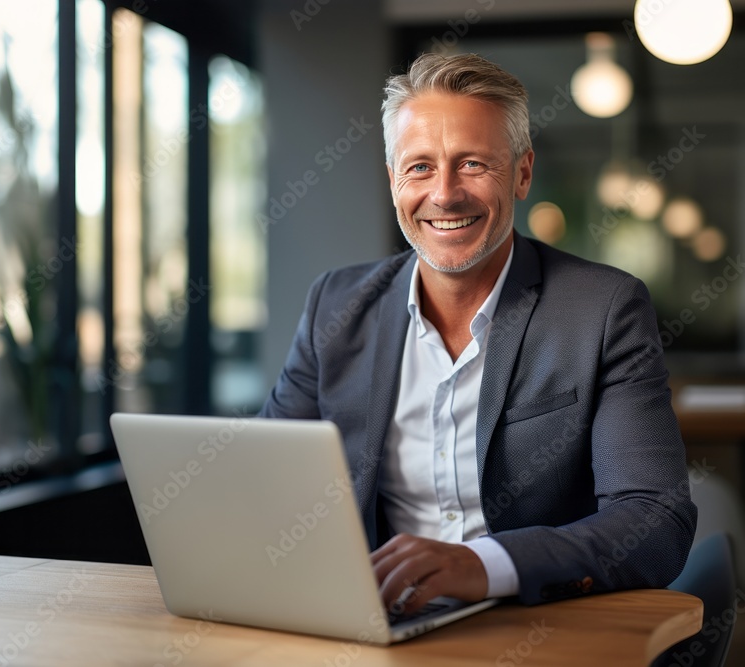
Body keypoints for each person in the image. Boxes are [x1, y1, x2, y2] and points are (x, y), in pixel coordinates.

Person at [259, 52, 696, 615]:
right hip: (379, 628)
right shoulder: (335, 307)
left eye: (472, 165)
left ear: (521, 173)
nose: (444, 194)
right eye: (419, 167)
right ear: (393, 181)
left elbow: (655, 519)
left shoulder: (604, 309)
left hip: (538, 623)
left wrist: (485, 564)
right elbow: (268, 481)